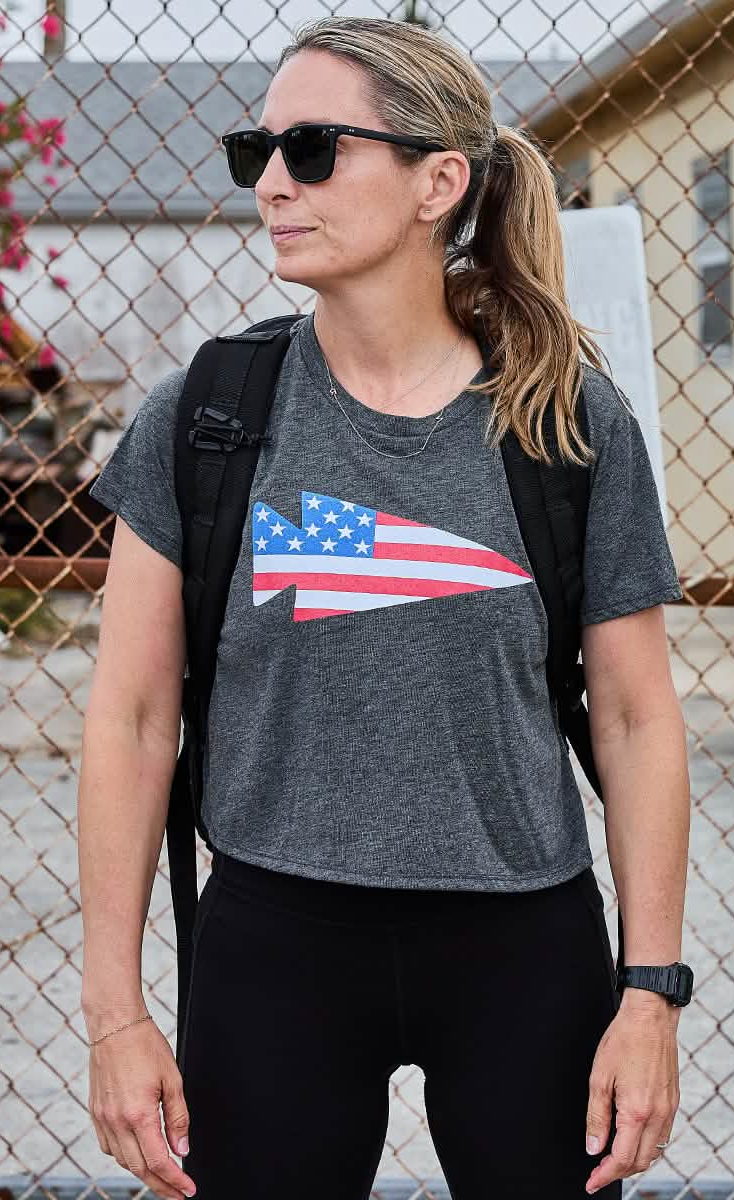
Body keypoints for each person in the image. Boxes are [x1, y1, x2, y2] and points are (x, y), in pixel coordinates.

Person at [79, 14, 690, 1200]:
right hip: (274, 951)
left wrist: (650, 994)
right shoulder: (207, 416)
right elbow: (133, 721)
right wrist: (116, 1016)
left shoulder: (565, 422)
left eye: (312, 150)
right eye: (255, 151)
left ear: (437, 183)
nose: (272, 183)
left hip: (523, 946)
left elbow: (635, 719)